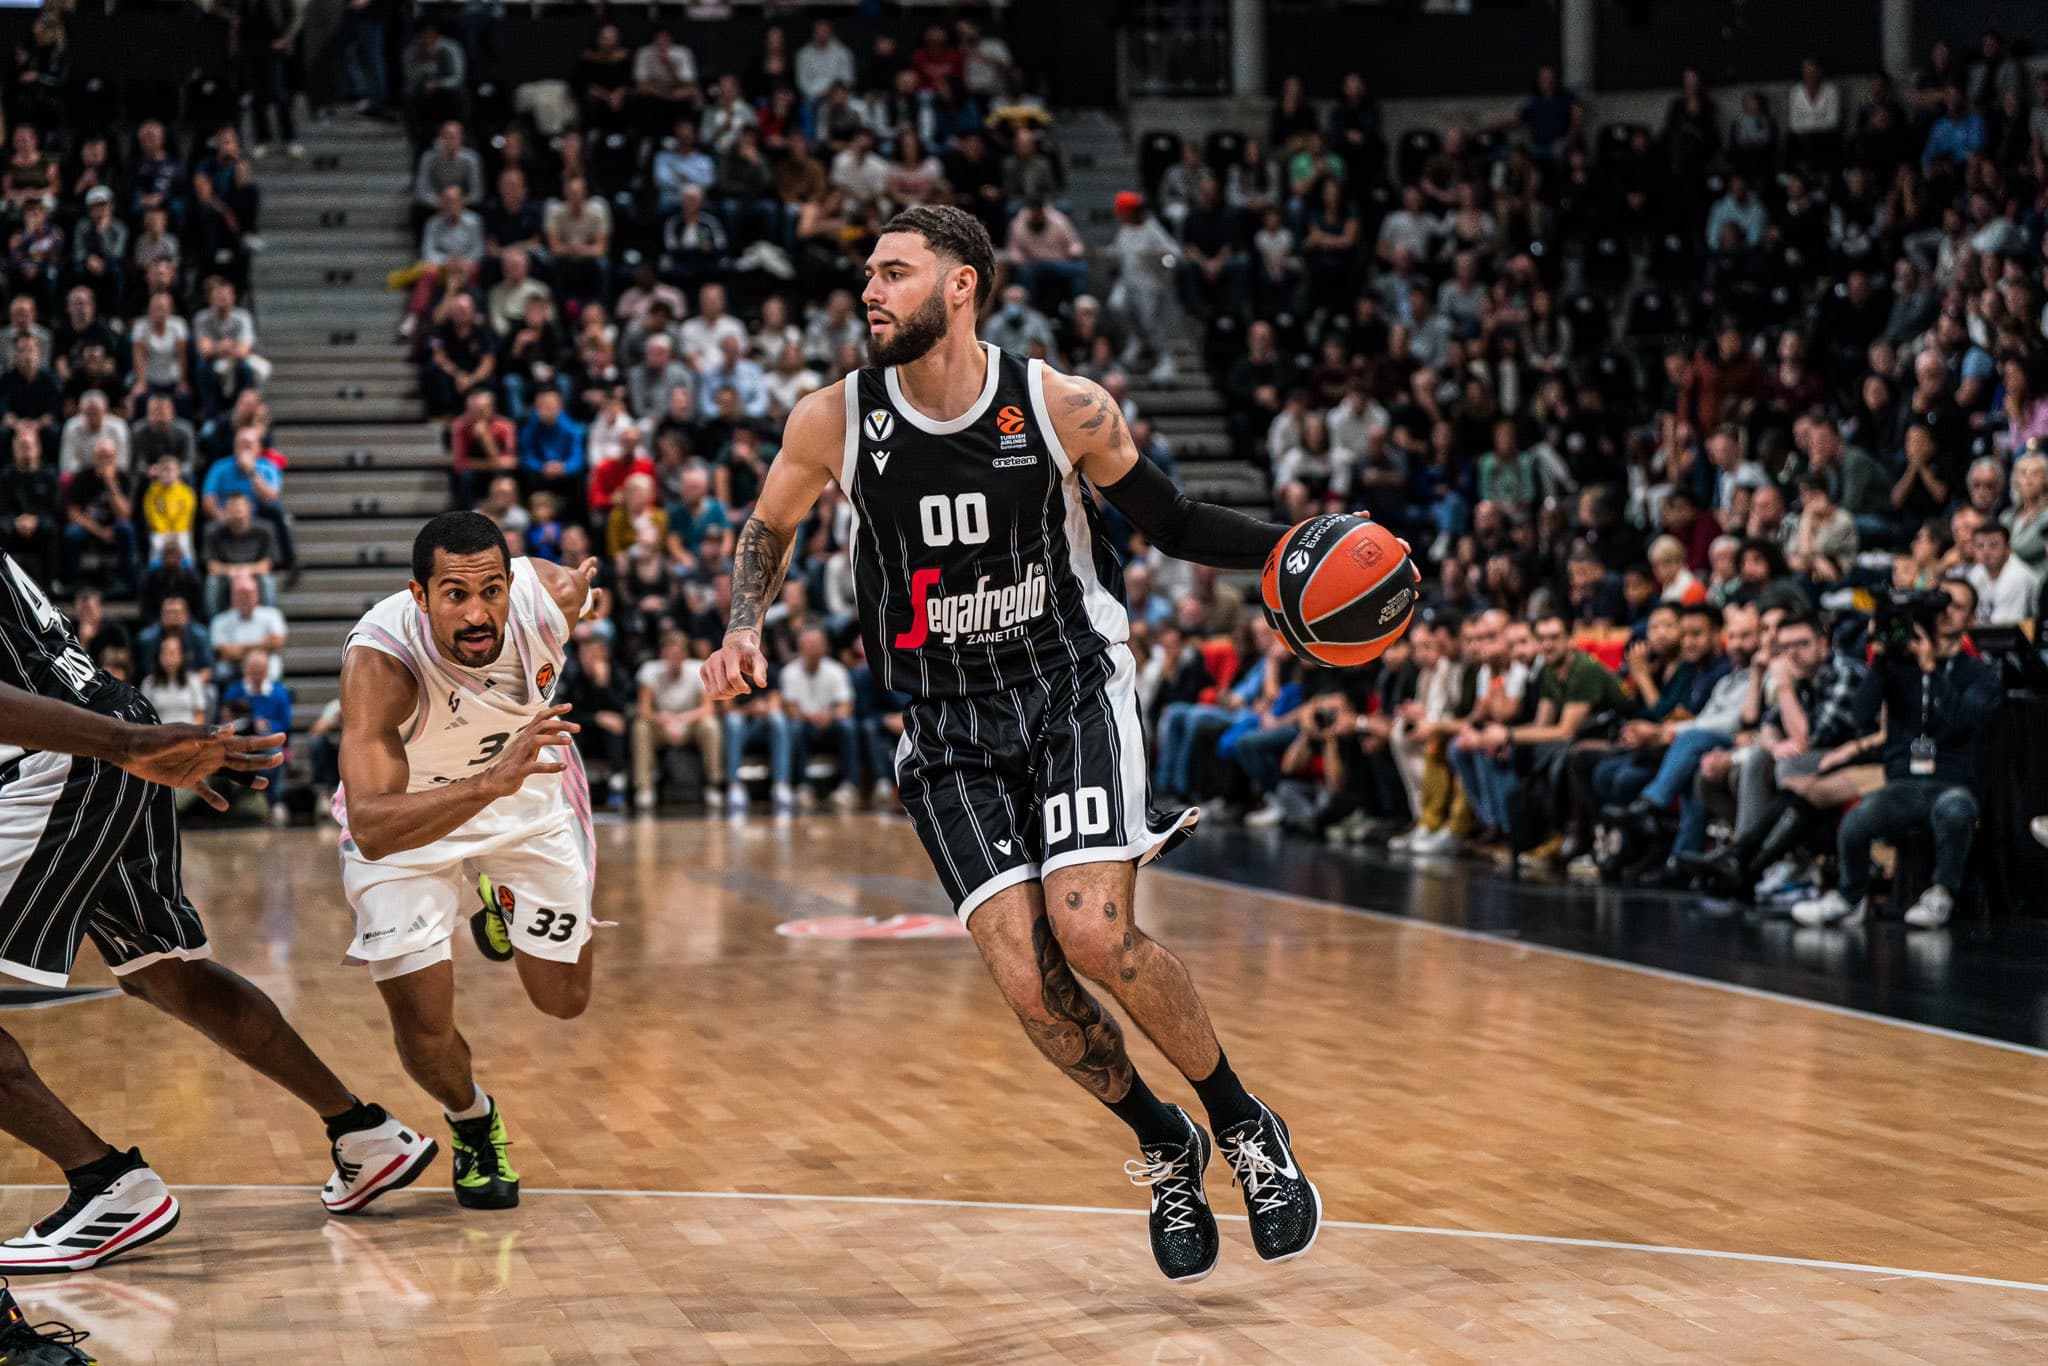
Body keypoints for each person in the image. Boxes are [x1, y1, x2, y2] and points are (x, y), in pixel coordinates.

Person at [699, 205, 1319, 1281]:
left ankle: (1241, 1122)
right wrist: (741, 621)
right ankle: (1162, 1140)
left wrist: (1298, 550)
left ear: (961, 286)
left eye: (893, 272)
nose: (869, 290)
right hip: (944, 722)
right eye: (866, 274)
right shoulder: (831, 419)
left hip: (1066, 687)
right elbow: (771, 525)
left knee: (1090, 936)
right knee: (1031, 985)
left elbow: (1167, 522)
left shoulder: (1059, 405)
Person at [0, 550, 432, 1275]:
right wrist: (127, 738)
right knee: (166, 972)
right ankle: (363, 1132)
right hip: (99, 730)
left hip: (62, 757)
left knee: (168, 971)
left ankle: (107, 1186)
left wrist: (128, 745)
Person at [335, 513, 605, 1212]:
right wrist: (487, 785)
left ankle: (500, 901)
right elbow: (369, 827)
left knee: (564, 1002)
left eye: (492, 590)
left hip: (527, 804)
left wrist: (584, 589)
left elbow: (574, 589)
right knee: (422, 1030)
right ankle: (472, 1121)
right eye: (455, 594)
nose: (477, 612)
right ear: (419, 596)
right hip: (409, 825)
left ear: (514, 585)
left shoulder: (552, 600)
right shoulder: (382, 663)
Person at [1792, 583, 1998, 929]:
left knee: (1955, 811)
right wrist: (1881, 659)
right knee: (1857, 822)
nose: (1945, 612)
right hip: (1903, 783)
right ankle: (1850, 897)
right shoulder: (1900, 666)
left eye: (1956, 606)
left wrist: (1932, 670)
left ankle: (1941, 894)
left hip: (1953, 782)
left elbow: (1963, 722)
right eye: (1940, 605)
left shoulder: (1979, 672)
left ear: (1972, 618)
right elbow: (1860, 715)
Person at [632, 629, 720, 811]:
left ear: (685, 655)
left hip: (689, 724)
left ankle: (715, 784)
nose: (673, 659)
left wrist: (682, 720)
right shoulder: (649, 671)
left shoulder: (698, 669)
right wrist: (665, 721)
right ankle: (645, 788)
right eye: (669, 655)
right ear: (662, 654)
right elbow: (644, 709)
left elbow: (708, 708)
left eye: (678, 654)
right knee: (641, 727)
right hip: (662, 725)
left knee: (711, 725)